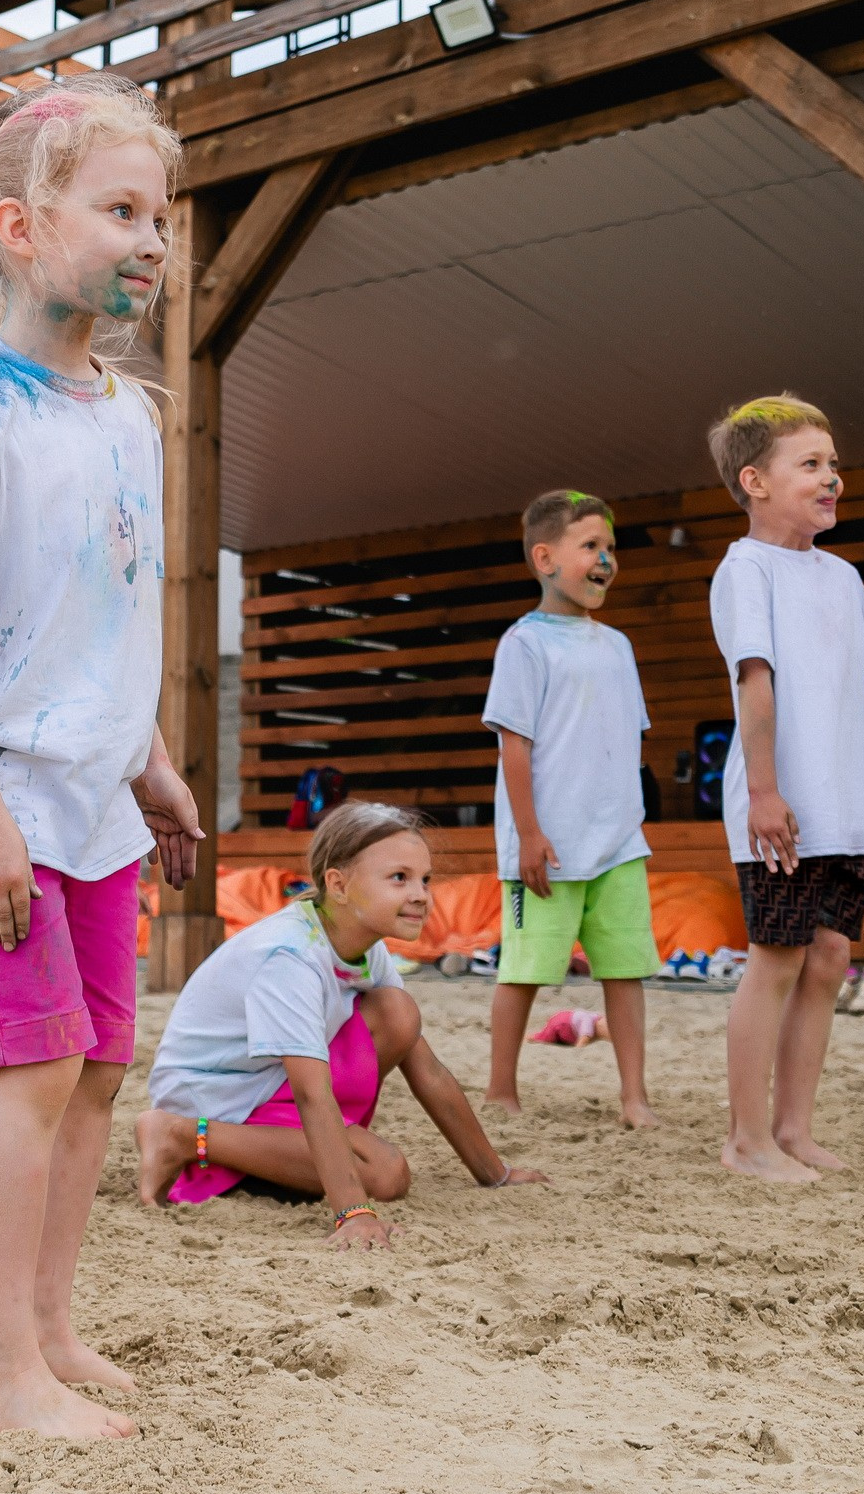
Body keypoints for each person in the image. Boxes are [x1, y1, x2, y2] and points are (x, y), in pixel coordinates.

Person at [0, 74, 203, 1440]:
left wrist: (153, 758)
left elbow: (109, 613)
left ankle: (55, 1326)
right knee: (34, 1059)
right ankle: (2, 1370)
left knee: (104, 1059)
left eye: (163, 218)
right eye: (121, 209)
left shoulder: (133, 413)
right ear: (21, 225)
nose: (152, 241)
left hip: (96, 793)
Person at [138, 801, 545, 1239]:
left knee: (398, 1014)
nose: (421, 895)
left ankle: (288, 1152)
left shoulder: (364, 946)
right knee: (386, 1174)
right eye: (399, 878)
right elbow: (312, 1093)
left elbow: (427, 1069)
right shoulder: (290, 956)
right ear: (338, 885)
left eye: (425, 880)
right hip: (221, 1100)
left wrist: (494, 1173)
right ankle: (178, 1136)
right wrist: (355, 1215)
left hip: (269, 1088)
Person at [705, 394, 864, 1185]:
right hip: (775, 805)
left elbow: (846, 697)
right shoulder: (745, 567)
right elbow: (758, 682)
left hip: (841, 805)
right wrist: (763, 792)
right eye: (811, 465)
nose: (832, 479)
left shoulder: (844, 576)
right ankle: (746, 1138)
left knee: (829, 959)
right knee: (776, 956)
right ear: (755, 480)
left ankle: (792, 1129)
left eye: (834, 465)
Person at [479, 489, 658, 1128]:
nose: (606, 560)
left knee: (626, 970)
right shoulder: (524, 645)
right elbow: (515, 747)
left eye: (611, 548)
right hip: (546, 847)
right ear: (545, 558)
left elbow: (625, 743)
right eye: (591, 547)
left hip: (619, 845)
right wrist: (528, 834)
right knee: (524, 971)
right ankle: (501, 1090)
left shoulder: (618, 647)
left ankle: (634, 1097)